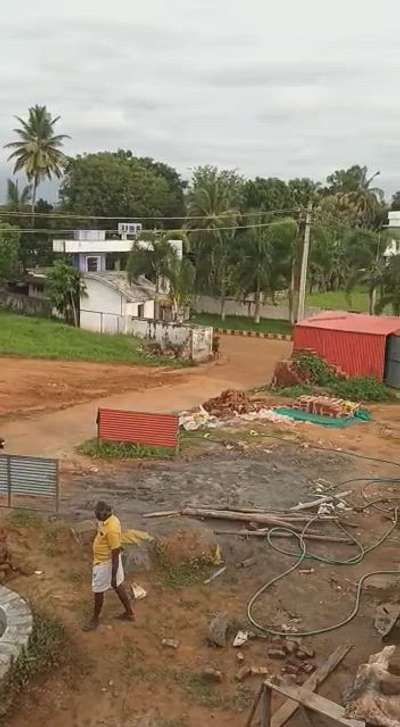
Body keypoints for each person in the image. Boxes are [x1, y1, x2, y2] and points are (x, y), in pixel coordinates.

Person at [83, 500, 135, 631]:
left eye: (97, 513)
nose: (95, 514)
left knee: (98, 590)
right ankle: (129, 613)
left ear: (105, 514)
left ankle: (95, 619)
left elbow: (115, 551)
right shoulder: (108, 520)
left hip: (105, 563)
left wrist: (112, 575)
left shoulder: (111, 529)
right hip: (107, 561)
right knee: (118, 586)